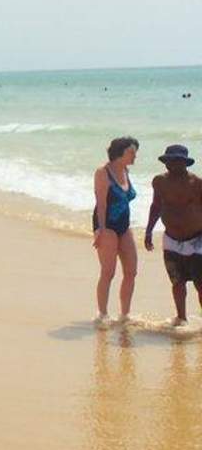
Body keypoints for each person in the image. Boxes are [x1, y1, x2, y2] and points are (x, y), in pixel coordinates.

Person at [145, 144, 202, 325]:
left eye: (177, 161)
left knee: (200, 283)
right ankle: (181, 318)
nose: (172, 164)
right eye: (169, 161)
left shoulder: (197, 183)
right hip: (171, 239)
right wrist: (148, 230)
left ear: (185, 163)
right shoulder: (159, 182)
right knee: (177, 282)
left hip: (196, 240)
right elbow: (156, 206)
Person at [92, 136, 139, 326]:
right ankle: (102, 314)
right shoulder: (103, 172)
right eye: (131, 152)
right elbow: (101, 204)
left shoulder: (125, 170)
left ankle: (124, 315)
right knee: (108, 272)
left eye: (135, 152)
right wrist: (101, 230)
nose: (135, 156)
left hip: (124, 225)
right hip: (107, 225)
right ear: (120, 153)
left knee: (131, 271)